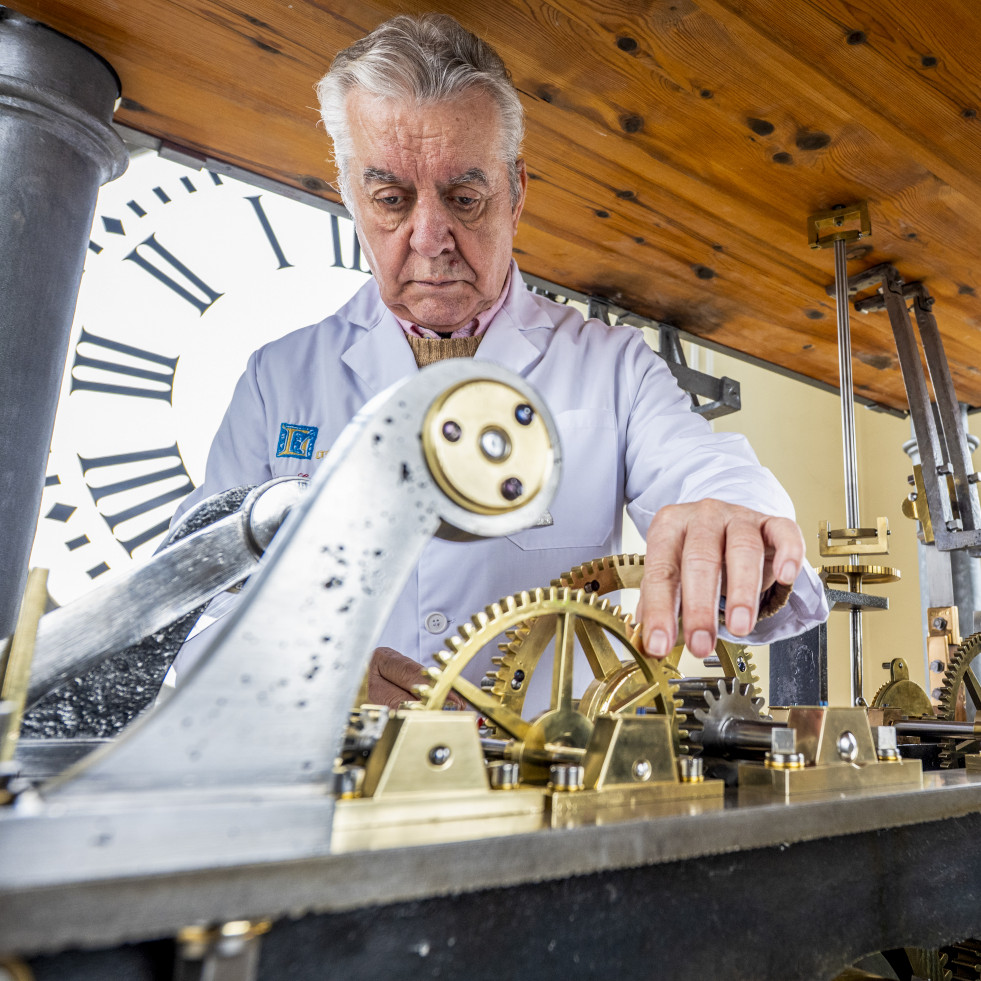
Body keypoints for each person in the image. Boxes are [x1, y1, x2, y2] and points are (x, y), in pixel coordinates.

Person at [171, 13, 827, 709]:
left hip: (545, 796)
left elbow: (704, 469)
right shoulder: (278, 380)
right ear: (350, 196)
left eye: (464, 197)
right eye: (391, 199)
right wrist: (302, 671)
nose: (429, 238)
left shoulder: (608, 368)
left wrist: (732, 517)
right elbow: (188, 610)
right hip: (335, 798)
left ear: (515, 195)